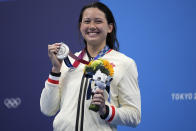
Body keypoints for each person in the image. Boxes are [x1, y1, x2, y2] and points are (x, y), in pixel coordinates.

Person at [40, 2, 141, 131]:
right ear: (80, 26)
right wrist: (55, 70)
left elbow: (134, 116)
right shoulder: (68, 62)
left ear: (110, 28)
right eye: (87, 21)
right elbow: (47, 109)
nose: (92, 26)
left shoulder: (124, 63)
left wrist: (106, 111)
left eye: (98, 21)